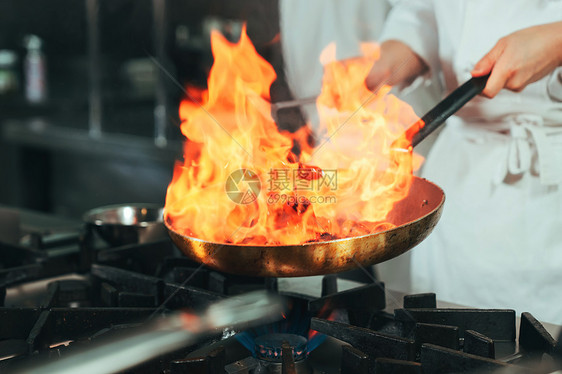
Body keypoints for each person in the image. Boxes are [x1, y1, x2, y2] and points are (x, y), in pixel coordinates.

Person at [365, 0, 562, 324]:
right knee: (442, 335)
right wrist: (393, 56)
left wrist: (556, 40)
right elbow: (424, 12)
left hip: (545, 184)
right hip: (461, 182)